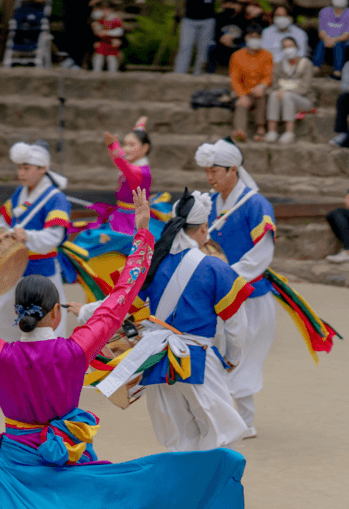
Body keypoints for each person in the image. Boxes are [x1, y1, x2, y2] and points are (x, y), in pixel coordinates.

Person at [0, 193, 247, 509]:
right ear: (54, 312)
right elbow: (124, 292)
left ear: (17, 315)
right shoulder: (76, 350)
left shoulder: (0, 356)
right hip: (69, 459)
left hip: (17, 467)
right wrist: (142, 235)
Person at [96, 190, 252, 451]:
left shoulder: (155, 263)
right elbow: (237, 324)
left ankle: (182, 489)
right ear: (204, 227)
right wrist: (232, 357)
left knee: (177, 441)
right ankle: (207, 489)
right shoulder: (215, 268)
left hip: (158, 359)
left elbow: (122, 300)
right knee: (223, 434)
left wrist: (84, 312)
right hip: (197, 359)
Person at [195, 138, 276, 437]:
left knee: (242, 359)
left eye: (214, 171)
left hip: (250, 296)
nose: (209, 177)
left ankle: (244, 422)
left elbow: (262, 254)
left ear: (233, 170)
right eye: (206, 171)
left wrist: (227, 275)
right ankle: (231, 420)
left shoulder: (256, 204)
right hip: (220, 294)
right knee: (218, 355)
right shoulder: (210, 203)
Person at [0, 140, 70, 343]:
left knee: (49, 314)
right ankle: (4, 359)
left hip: (42, 267)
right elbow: (2, 224)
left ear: (43, 169)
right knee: (5, 312)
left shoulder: (56, 199)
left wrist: (29, 236)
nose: (21, 173)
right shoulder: (19, 194)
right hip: (13, 265)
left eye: (26, 168)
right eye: (20, 168)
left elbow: (54, 237)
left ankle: (54, 361)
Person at [100, 118, 152, 234]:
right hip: (121, 214)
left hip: (131, 221)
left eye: (131, 145)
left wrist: (113, 145)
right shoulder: (136, 165)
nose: (126, 149)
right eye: (125, 144)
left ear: (145, 148)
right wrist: (139, 126)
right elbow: (122, 160)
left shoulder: (141, 172)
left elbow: (122, 163)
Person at [265, 36, 314, 144]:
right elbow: (274, 85)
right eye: (285, 47)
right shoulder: (278, 65)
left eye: (290, 46)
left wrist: (285, 90)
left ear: (296, 47)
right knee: (273, 94)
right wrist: (283, 90)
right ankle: (272, 131)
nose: (288, 49)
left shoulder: (306, 64)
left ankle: (289, 132)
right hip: (281, 98)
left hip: (303, 100)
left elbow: (304, 88)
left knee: (287, 95)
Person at [229, 25, 272, 142]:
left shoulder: (267, 55)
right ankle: (240, 131)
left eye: (257, 37)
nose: (255, 40)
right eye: (251, 37)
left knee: (260, 95)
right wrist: (242, 95)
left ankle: (260, 128)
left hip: (261, 90)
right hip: (244, 91)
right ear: (246, 38)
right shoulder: (236, 56)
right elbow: (234, 79)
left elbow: (268, 76)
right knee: (241, 103)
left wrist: (262, 85)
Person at [313, 0, 349, 79]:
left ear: (348, 0)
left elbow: (347, 34)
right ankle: (316, 68)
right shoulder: (324, 12)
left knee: (338, 44)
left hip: (344, 41)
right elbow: (321, 32)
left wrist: (333, 40)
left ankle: (337, 71)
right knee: (321, 43)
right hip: (326, 40)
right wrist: (327, 39)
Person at [209, 0, 248, 72]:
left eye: (234, 4)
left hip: (237, 44)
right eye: (228, 4)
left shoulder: (244, 18)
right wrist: (221, 38)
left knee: (247, 46)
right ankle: (210, 72)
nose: (231, 6)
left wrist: (234, 40)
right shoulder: (218, 17)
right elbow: (213, 34)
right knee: (210, 44)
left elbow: (246, 35)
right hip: (220, 43)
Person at [91, 0, 125, 73]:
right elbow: (94, 32)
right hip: (100, 44)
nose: (105, 11)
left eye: (107, 9)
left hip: (112, 44)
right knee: (98, 58)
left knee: (112, 58)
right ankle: (96, 72)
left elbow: (120, 31)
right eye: (102, 9)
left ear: (112, 10)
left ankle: (113, 73)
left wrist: (108, 33)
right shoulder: (97, 20)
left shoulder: (116, 19)